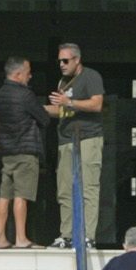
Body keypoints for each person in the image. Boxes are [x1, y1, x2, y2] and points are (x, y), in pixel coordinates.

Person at [48, 42, 106, 249]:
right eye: (59, 61)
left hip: (88, 138)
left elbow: (97, 104)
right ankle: (67, 235)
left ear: (76, 60)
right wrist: (33, 109)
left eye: (65, 61)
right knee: (64, 189)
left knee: (88, 187)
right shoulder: (63, 81)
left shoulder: (91, 76)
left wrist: (69, 103)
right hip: (65, 139)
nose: (61, 65)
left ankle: (88, 236)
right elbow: (60, 110)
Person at [0, 56, 54, 249]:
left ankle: (1, 238)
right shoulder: (25, 95)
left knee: (4, 195)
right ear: (18, 74)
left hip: (7, 151)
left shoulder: (0, 93)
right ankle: (21, 238)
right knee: (22, 195)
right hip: (26, 150)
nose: (30, 76)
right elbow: (44, 119)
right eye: (28, 73)